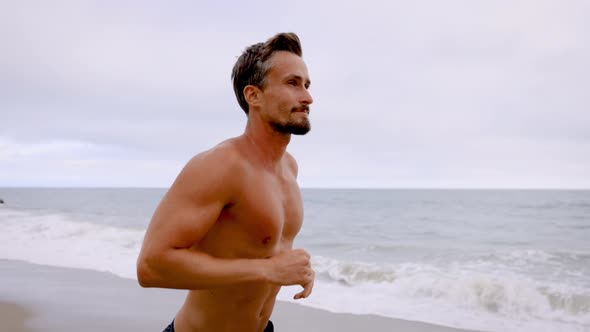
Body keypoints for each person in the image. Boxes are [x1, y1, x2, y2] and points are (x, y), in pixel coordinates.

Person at [137, 32, 315, 332]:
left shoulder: (289, 168)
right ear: (253, 95)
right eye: (292, 83)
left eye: (307, 85)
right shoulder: (220, 166)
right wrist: (268, 269)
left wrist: (293, 268)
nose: (308, 97)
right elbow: (151, 267)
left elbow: (260, 248)